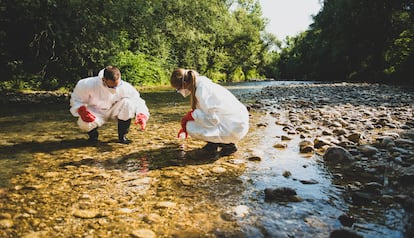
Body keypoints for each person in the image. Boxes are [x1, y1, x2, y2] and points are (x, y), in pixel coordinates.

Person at [170, 68, 249, 156]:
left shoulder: (202, 90)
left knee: (190, 126)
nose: (179, 91)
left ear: (184, 84)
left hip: (234, 128)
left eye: (178, 89)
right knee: (194, 121)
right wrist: (192, 116)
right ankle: (214, 143)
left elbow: (212, 119)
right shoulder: (201, 84)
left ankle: (228, 145)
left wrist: (189, 118)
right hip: (236, 123)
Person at [70, 66, 150, 144]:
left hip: (114, 110)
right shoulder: (86, 84)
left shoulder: (125, 87)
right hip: (95, 111)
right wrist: (82, 110)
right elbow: (76, 99)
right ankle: (93, 136)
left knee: (128, 103)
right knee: (83, 123)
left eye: (117, 85)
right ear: (103, 80)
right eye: (112, 86)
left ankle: (122, 136)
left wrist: (142, 115)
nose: (115, 88)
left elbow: (138, 101)